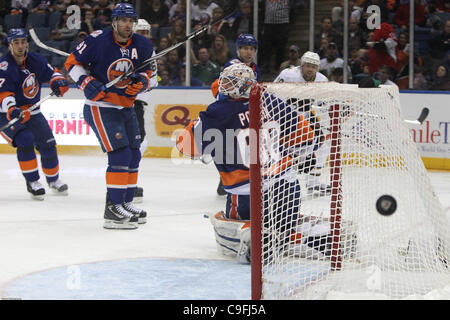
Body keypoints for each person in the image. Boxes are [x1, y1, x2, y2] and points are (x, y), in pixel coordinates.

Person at [176, 63, 322, 263]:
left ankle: (255, 240)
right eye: (225, 80)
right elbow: (307, 140)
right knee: (285, 224)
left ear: (243, 85)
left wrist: (200, 123)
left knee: (231, 224)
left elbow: (186, 147)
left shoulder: (218, 111)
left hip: (246, 192)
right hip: (287, 186)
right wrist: (285, 149)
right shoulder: (272, 101)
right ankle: (307, 236)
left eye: (230, 82)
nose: (224, 85)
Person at [64, 3, 152, 229]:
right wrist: (86, 82)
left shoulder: (142, 44)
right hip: (100, 106)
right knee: (121, 154)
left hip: (126, 106)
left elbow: (148, 70)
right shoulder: (97, 40)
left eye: (131, 21)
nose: (127, 25)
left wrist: (141, 81)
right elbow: (72, 63)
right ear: (114, 22)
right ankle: (112, 210)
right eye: (123, 20)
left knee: (133, 154)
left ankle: (125, 202)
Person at [0, 28, 69, 200]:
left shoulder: (36, 60)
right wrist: (13, 109)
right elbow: (4, 93)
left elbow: (52, 73)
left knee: (49, 144)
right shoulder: (4, 66)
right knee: (25, 139)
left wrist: (58, 81)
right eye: (16, 42)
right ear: (10, 45)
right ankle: (32, 182)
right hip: (7, 113)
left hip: (33, 111)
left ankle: (53, 180)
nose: (20, 46)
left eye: (23, 42)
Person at [274, 51, 331, 195]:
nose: (310, 69)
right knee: (279, 153)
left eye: (313, 66)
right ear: (302, 65)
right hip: (284, 119)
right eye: (307, 66)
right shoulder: (288, 74)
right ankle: (276, 182)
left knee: (323, 146)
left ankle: (313, 183)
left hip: (305, 118)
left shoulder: (322, 79)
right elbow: (272, 93)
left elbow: (324, 102)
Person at [210, 33, 261, 195]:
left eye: (252, 49)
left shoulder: (255, 68)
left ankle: (238, 179)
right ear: (238, 50)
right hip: (230, 112)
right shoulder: (233, 66)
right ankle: (226, 179)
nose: (249, 52)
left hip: (245, 113)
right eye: (245, 48)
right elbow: (221, 90)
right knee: (229, 148)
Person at [132, 18, 159, 203]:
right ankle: (126, 183)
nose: (144, 35)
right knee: (134, 143)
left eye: (146, 32)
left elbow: (153, 81)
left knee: (139, 143)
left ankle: (128, 181)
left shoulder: (150, 52)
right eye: (140, 32)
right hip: (126, 103)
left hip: (137, 102)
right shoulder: (126, 50)